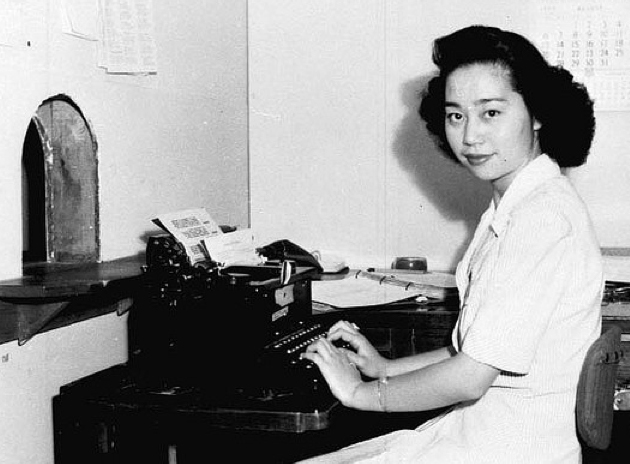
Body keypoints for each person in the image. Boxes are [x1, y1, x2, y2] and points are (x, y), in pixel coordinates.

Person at [299, 25, 603, 464]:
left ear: (537, 114)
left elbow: (470, 377)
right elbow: (475, 350)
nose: (470, 136)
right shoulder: (519, 204)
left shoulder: (541, 219)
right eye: (456, 115)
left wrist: (360, 392)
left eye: (491, 113)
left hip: (509, 451)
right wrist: (384, 369)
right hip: (481, 436)